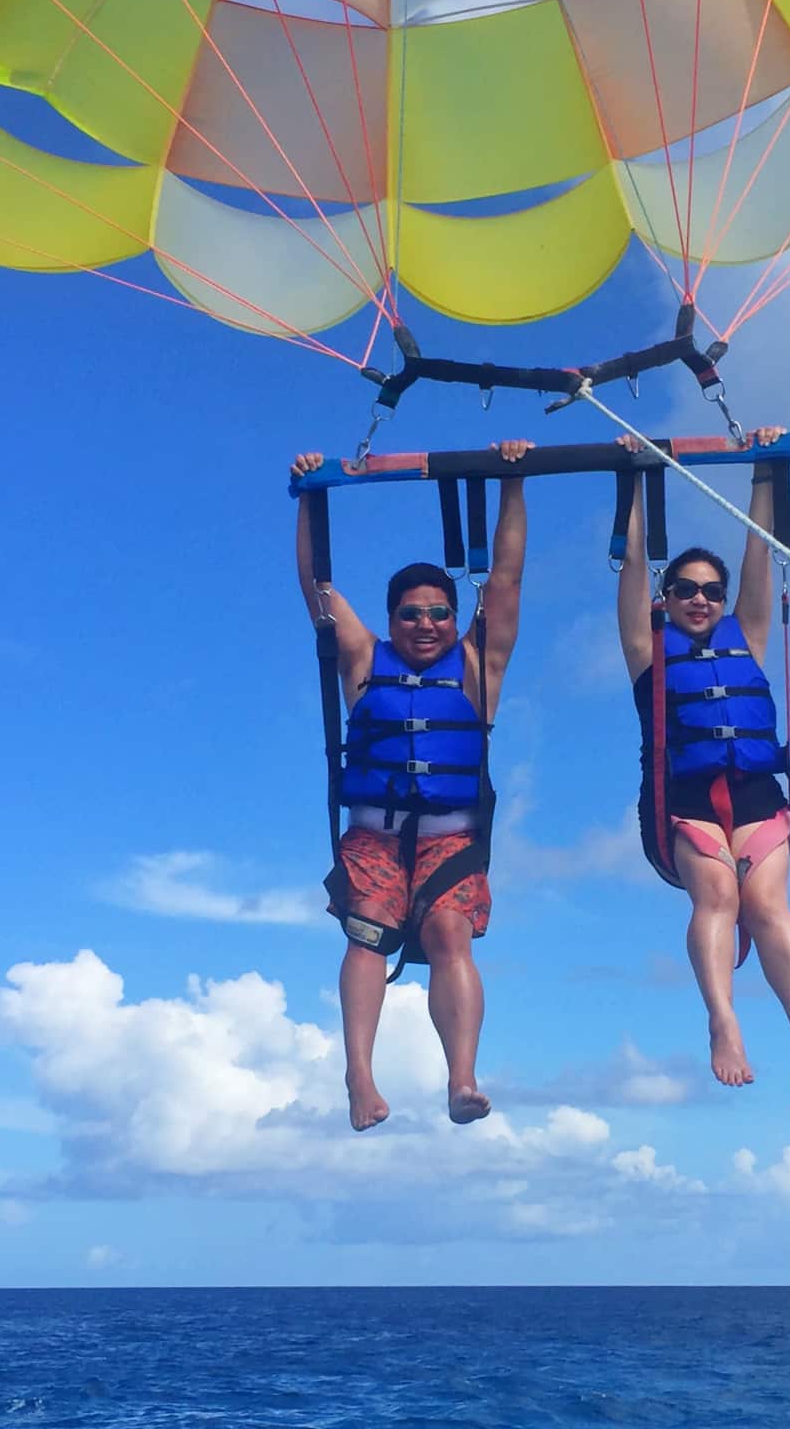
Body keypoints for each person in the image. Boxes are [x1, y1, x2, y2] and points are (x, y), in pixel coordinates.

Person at [292, 443, 532, 1131]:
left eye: (438, 614)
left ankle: (461, 1079)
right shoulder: (364, 659)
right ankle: (359, 1078)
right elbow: (316, 586)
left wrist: (513, 483)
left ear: (455, 620)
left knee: (450, 931)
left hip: (450, 838)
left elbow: (507, 580)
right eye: (411, 614)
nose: (425, 625)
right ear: (391, 619)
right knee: (367, 935)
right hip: (373, 833)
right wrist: (311, 495)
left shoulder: (479, 665)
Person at [615, 427, 790, 1105]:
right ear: (667, 597)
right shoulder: (647, 648)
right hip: (688, 801)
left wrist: (764, 471)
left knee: (767, 905)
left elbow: (755, 550)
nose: (700, 599)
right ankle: (724, 1020)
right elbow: (630, 566)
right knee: (720, 897)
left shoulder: (750, 635)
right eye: (684, 590)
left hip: (759, 795)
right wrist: (635, 482)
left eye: (711, 591)